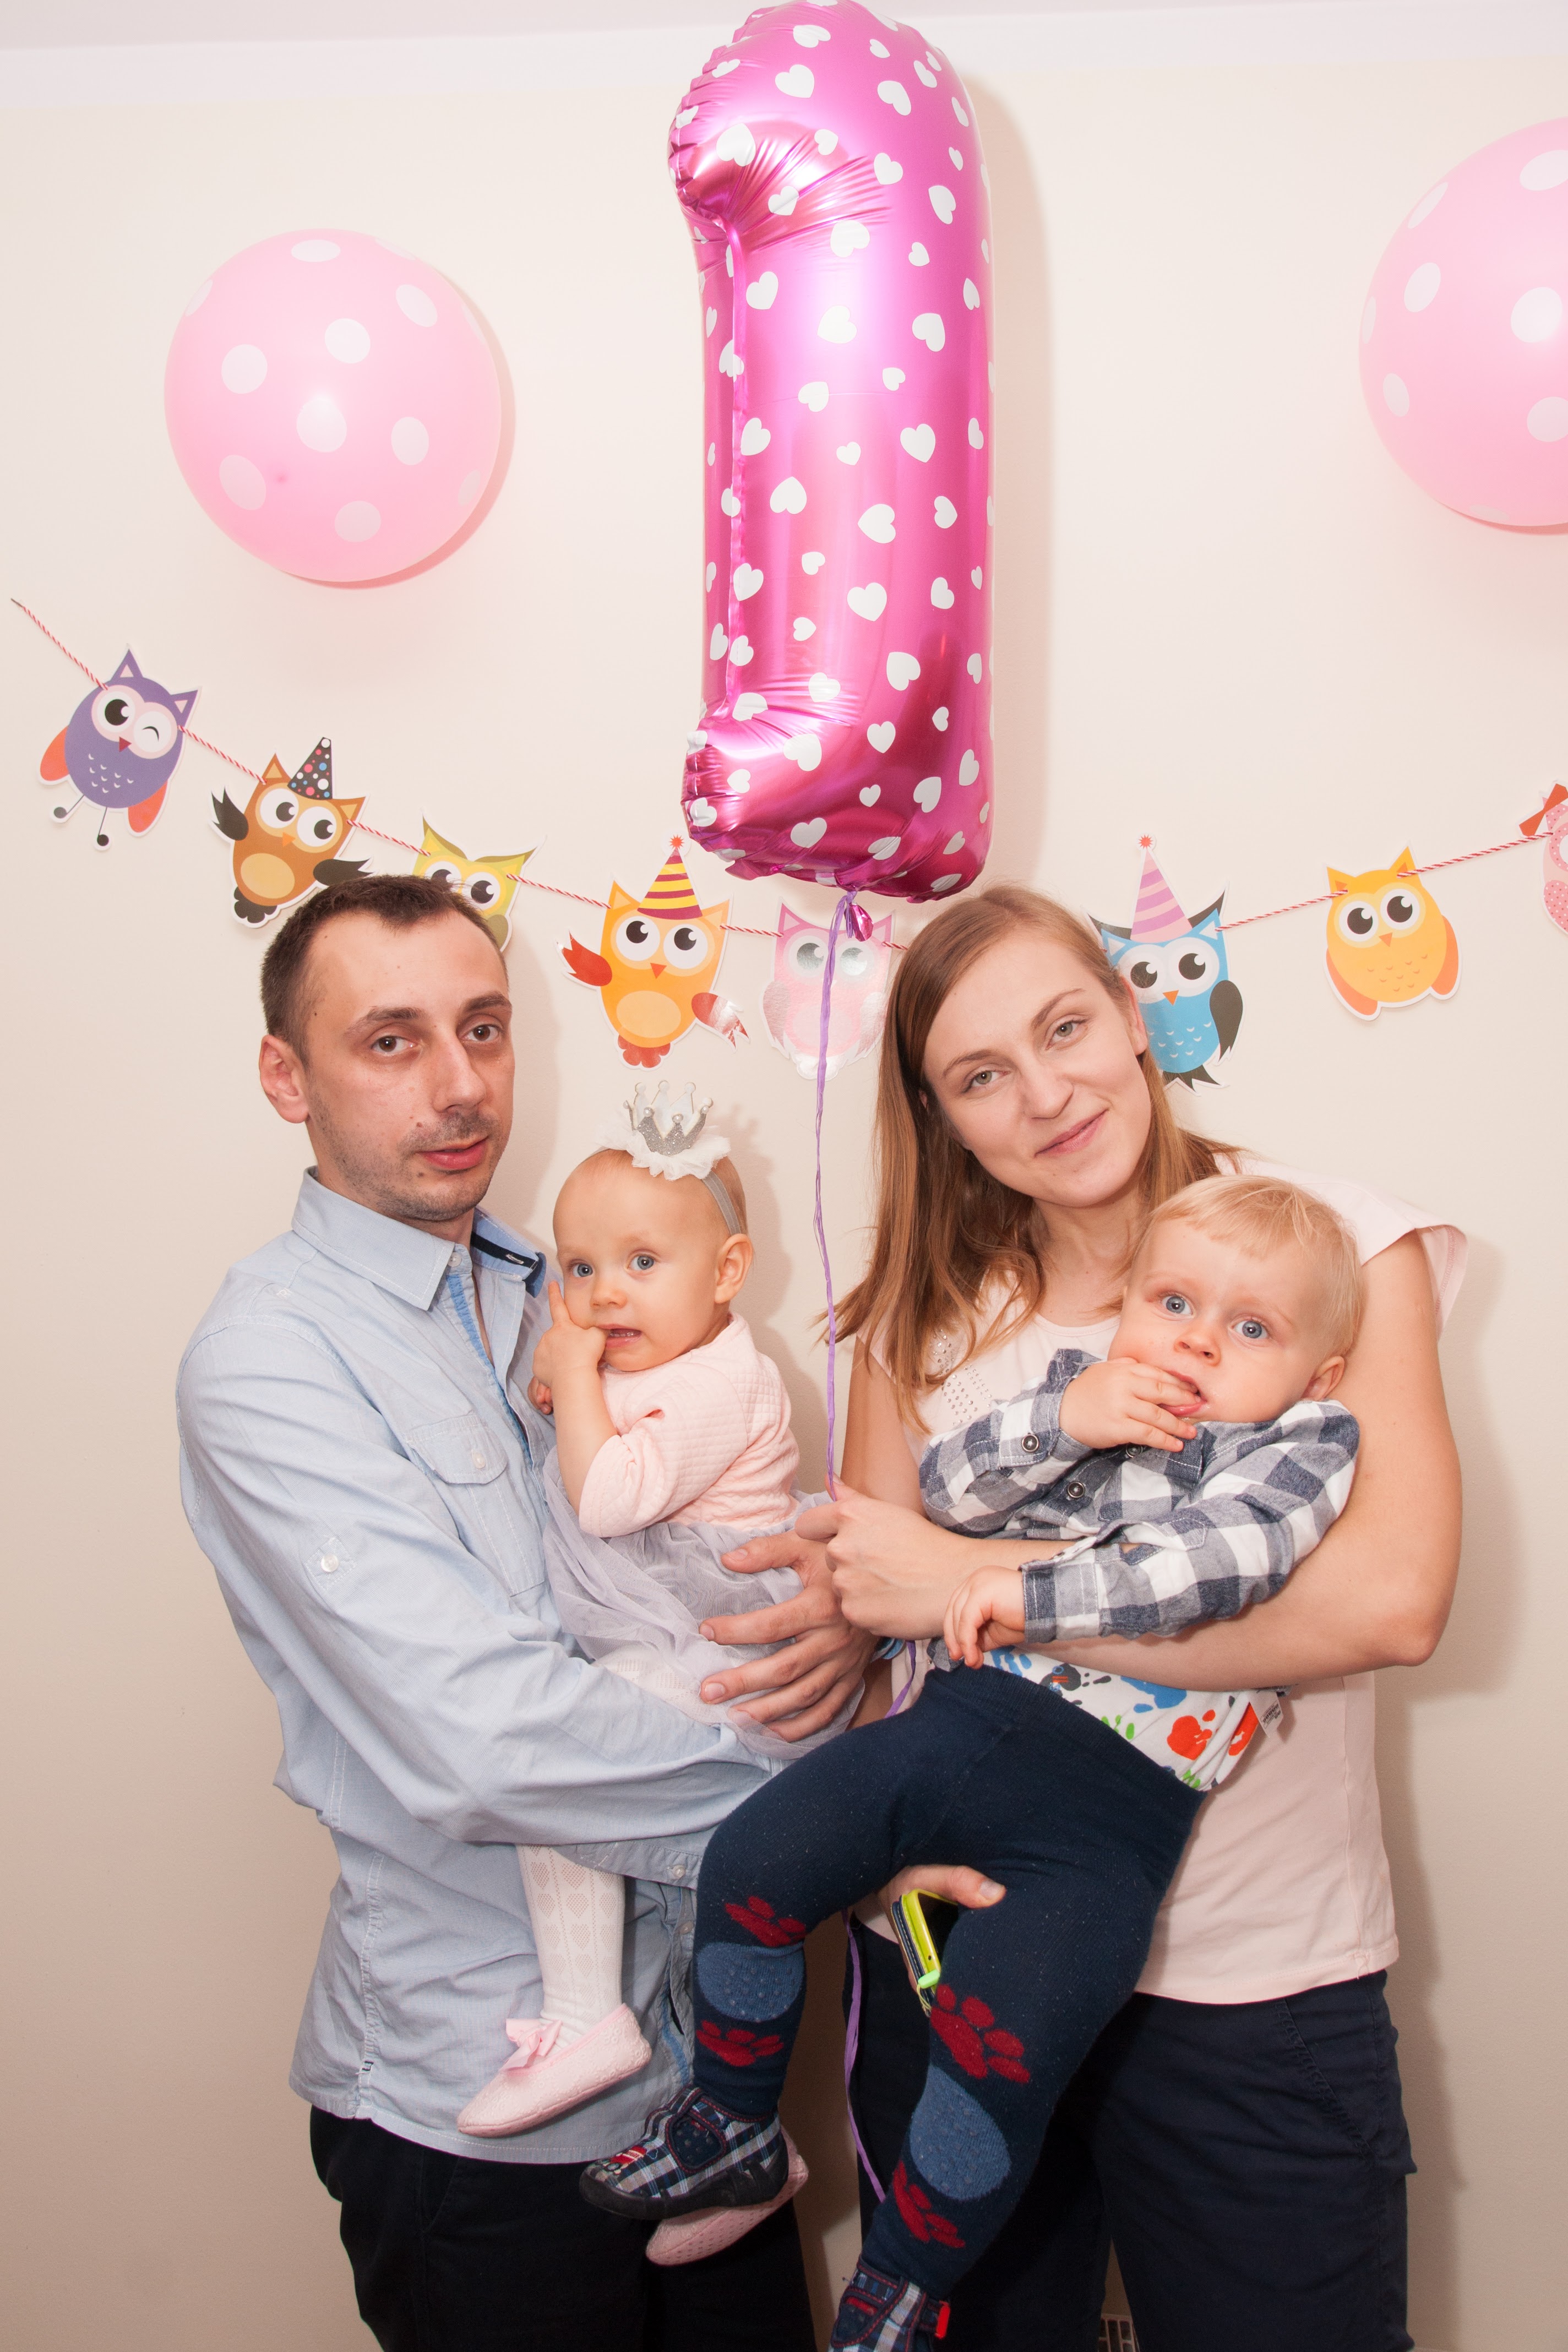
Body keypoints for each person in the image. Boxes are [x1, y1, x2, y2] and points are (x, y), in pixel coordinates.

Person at [721, 884, 1463, 2352]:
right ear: (940, 1117)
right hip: (967, 1959)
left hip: (1252, 1989)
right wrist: (872, 1811)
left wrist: (977, 1588)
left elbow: (1388, 1604)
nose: (1046, 1095)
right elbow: (875, 1618)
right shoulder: (919, 1321)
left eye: (1064, 1029)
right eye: (981, 1076)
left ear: (1133, 1014)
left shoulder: (1327, 1252)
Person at [176, 874, 871, 2352]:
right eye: (392, 1040)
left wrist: (839, 1618)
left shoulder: (571, 1283)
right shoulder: (271, 1360)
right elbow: (489, 1743)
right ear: (286, 1077)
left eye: (483, 1029)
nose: (459, 1085)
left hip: (706, 2091)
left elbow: (710, 1547)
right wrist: (854, 1815)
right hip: (485, 2126)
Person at [579, 1174, 1363, 2352]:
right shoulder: (1087, 1394)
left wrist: (1008, 1590)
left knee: (1001, 2049)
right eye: (1171, 1303)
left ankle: (902, 2284)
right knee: (753, 1859)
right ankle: (731, 2121)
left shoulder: (1304, 1441)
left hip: (1110, 1816)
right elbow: (943, 1492)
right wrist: (1068, 1421)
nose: (1197, 1341)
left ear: (1317, 1371)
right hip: (956, 1730)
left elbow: (1214, 1570)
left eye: (1250, 1328)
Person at [457, 1088, 819, 2150]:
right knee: (704, 1923)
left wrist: (569, 1376)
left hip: (720, 1637)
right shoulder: (645, 1362)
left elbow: (610, 1497)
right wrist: (572, 1380)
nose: (605, 1293)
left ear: (728, 1272)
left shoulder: (723, 1379)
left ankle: (587, 2017)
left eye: (643, 1263)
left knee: (570, 1756)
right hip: (668, 1625)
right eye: (579, 1268)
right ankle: (741, 2135)